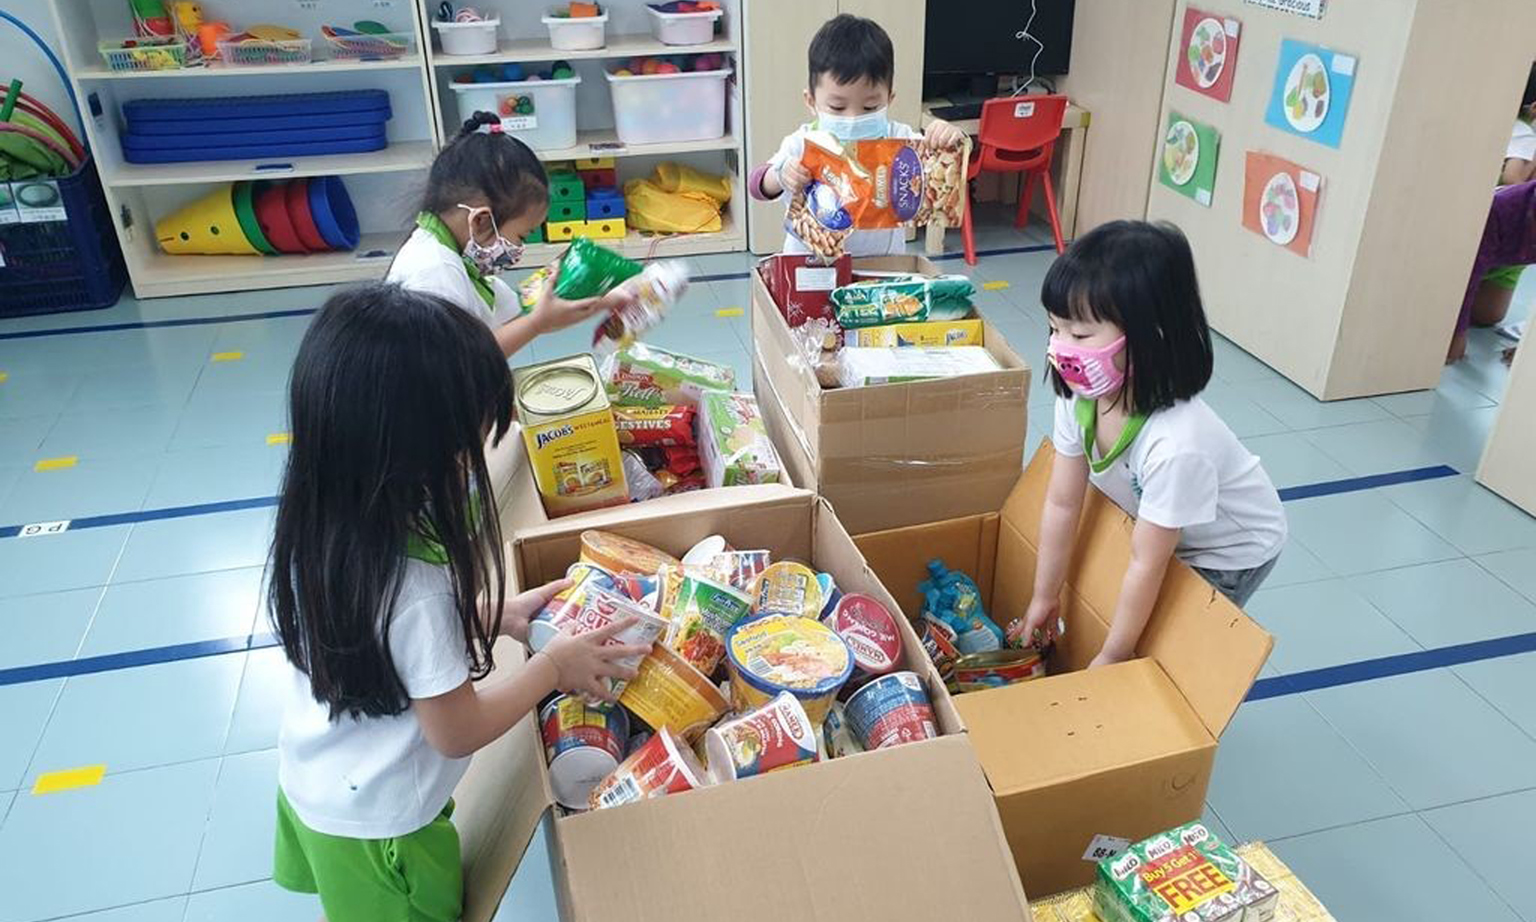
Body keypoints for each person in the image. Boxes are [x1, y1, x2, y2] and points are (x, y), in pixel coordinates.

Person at [268, 283, 648, 922]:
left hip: (323, 775)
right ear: (407, 452)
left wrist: (491, 616)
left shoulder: (328, 524)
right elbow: (457, 730)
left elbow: (378, 641)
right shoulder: (413, 583)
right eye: (464, 447)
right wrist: (552, 669)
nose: (469, 464)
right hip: (385, 830)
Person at [1005, 221, 1287, 667]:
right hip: (1165, 523)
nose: (1060, 350)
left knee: (1169, 646)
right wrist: (1045, 595)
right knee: (1136, 599)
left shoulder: (1177, 443)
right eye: (1053, 329)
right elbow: (1062, 503)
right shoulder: (1081, 394)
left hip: (1230, 547)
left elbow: (1146, 563)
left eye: (1079, 336)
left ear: (1150, 336)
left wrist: (1115, 655)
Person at [387, 112, 633, 359]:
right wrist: (536, 323)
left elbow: (522, 316)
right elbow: (463, 364)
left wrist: (604, 300)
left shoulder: (461, 256)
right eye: (522, 236)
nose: (519, 249)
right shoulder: (433, 274)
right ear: (481, 220)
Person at [747, 13, 965, 256]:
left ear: (889, 99)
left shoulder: (901, 140)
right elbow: (757, 185)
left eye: (870, 107)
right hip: (812, 269)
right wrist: (780, 174)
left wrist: (947, 136)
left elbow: (941, 166)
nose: (852, 119)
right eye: (837, 107)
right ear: (811, 100)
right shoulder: (804, 143)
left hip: (881, 269)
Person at [1449, 63, 1536, 363]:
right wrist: (1455, 334)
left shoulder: (1523, 133)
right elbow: (1469, 270)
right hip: (1486, 239)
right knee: (1448, 309)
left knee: (1486, 318)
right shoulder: (1504, 209)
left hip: (1514, 254)